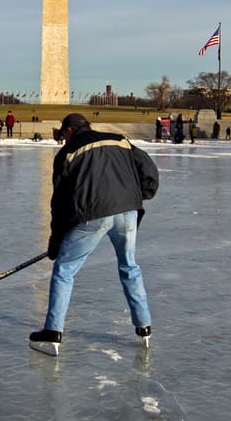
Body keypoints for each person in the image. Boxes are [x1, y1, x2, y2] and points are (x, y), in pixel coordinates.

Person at [30, 113, 160, 357]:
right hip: (128, 211)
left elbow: (59, 202)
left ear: (69, 130)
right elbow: (149, 171)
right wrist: (139, 195)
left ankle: (53, 332)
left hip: (92, 214)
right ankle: (144, 327)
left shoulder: (67, 153)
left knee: (64, 270)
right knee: (129, 266)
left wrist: (56, 240)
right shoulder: (119, 140)